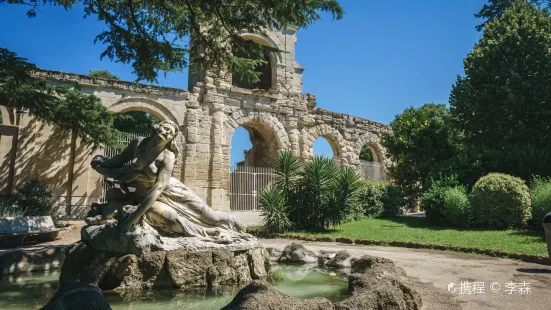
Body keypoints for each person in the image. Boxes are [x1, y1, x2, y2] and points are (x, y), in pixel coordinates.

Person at [90, 120, 247, 243]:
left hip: (170, 191)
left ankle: (232, 221)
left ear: (171, 139)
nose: (165, 133)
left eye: (170, 133)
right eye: (164, 128)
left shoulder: (168, 157)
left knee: (211, 217)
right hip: (145, 197)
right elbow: (118, 160)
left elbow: (159, 187)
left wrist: (136, 215)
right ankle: (207, 233)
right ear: (157, 127)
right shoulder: (138, 143)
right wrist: (101, 164)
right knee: (172, 220)